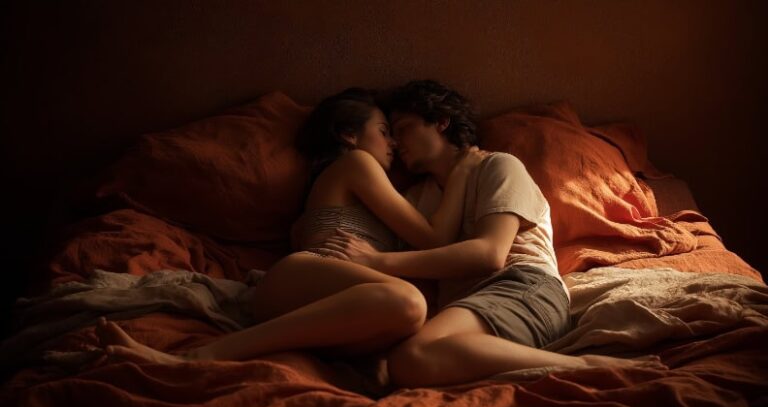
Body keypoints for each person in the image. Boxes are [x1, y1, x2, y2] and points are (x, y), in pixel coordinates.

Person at [93, 88, 485, 364]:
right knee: (409, 303)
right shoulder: (356, 162)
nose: (393, 144)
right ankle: (198, 356)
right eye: (383, 131)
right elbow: (434, 238)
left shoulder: (355, 182)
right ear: (349, 135)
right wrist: (462, 172)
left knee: (410, 321)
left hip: (329, 304)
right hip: (302, 276)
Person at [321, 80, 667, 387]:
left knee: (413, 356)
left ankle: (586, 366)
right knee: (405, 363)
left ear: (441, 122)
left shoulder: (497, 166)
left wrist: (378, 261)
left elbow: (489, 254)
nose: (396, 141)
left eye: (404, 127)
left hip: (523, 286)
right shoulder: (415, 199)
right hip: (462, 309)